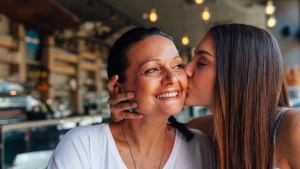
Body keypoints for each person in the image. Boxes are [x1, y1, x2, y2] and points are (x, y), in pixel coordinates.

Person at [107, 23, 300, 169]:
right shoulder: (204, 130)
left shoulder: (294, 129)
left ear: (237, 71)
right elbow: (147, 136)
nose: (185, 71)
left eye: (201, 62)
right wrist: (123, 118)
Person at [47, 27, 215, 169]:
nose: (172, 78)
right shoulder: (84, 145)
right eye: (152, 70)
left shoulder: (198, 145)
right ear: (118, 88)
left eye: (177, 65)